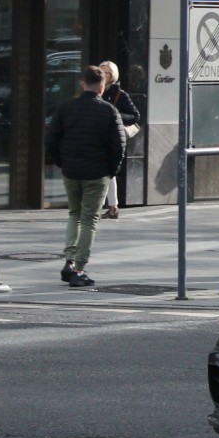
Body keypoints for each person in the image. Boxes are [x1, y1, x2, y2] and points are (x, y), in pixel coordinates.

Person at [45, 64, 126, 288]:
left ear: (83, 84)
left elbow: (51, 139)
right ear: (102, 87)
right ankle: (80, 269)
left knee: (74, 214)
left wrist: (62, 162)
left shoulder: (65, 108)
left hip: (71, 171)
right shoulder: (109, 111)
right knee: (90, 219)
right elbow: (119, 145)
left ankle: (69, 261)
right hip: (97, 173)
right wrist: (112, 169)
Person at [98, 61, 140, 220]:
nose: (103, 75)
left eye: (106, 73)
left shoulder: (119, 94)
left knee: (107, 171)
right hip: (98, 135)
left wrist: (115, 115)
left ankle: (106, 206)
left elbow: (135, 116)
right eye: (100, 71)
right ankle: (111, 206)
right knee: (107, 173)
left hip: (111, 137)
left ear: (113, 76)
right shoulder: (95, 91)